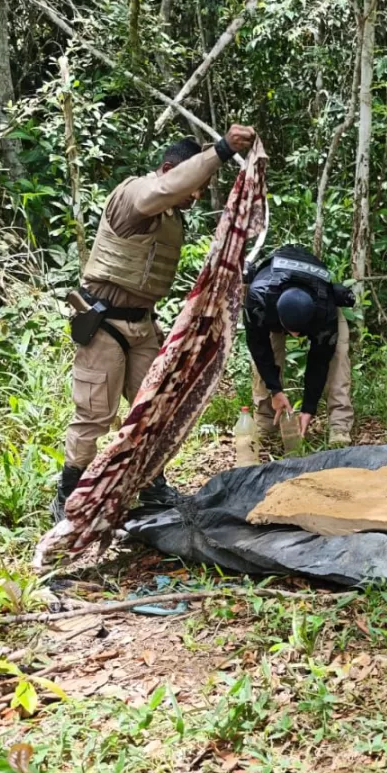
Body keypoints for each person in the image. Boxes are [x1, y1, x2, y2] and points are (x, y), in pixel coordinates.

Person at [53, 125, 256, 521]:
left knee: (153, 410)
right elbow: (162, 190)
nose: (195, 196)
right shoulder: (137, 193)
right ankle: (69, 493)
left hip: (142, 325)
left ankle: (150, 486)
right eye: (192, 187)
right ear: (167, 169)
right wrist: (221, 150)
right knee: (94, 415)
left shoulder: (171, 214)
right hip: (104, 323)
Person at [243, 244, 356, 448]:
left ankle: (340, 427)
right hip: (272, 298)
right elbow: (258, 347)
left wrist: (308, 409)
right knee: (267, 356)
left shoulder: (325, 309)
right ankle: (266, 423)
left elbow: (319, 360)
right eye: (290, 330)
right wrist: (275, 390)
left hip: (317, 300)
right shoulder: (258, 298)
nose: (295, 336)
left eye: (300, 331)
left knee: (338, 356)